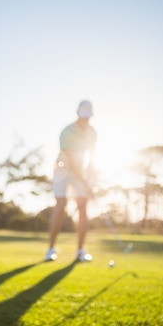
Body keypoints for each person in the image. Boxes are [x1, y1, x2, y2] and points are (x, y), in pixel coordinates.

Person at [45, 99, 97, 262]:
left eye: (87, 117)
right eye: (83, 116)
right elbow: (69, 156)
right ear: (77, 114)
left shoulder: (92, 132)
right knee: (61, 205)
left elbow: (91, 157)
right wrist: (82, 176)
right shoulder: (67, 131)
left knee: (83, 206)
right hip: (62, 169)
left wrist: (90, 177)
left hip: (81, 171)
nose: (85, 120)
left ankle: (80, 251)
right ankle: (51, 249)